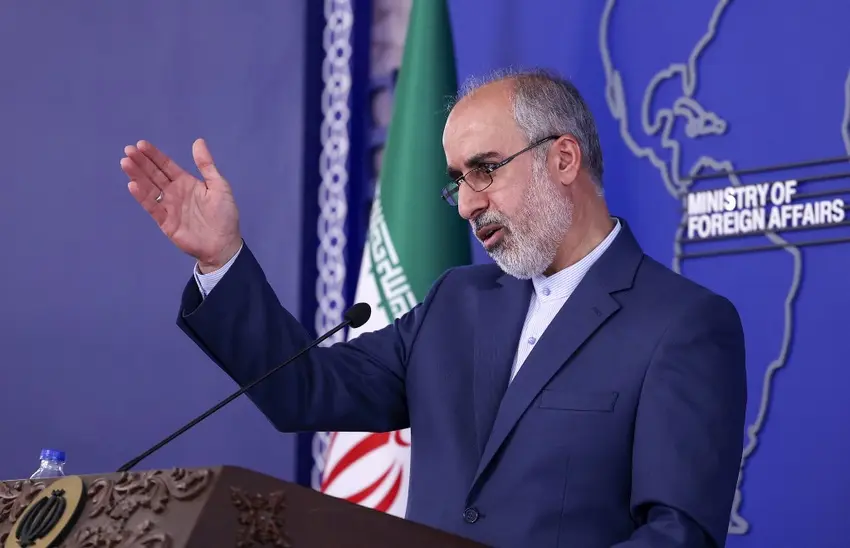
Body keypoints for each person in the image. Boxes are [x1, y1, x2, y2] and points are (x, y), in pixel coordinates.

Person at [120, 69, 747, 548]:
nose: (467, 204)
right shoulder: (456, 302)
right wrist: (221, 260)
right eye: (457, 180)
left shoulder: (682, 324)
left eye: (486, 170)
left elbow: (678, 535)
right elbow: (304, 389)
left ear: (563, 159)